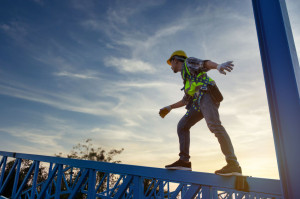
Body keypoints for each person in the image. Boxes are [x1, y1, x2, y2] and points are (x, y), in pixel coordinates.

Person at [159, 50, 242, 176]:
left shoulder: (188, 62)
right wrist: (169, 107)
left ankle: (233, 164)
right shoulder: (186, 78)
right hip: (197, 103)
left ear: (175, 60)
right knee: (182, 125)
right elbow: (185, 100)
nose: (170, 66)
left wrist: (218, 66)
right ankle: (184, 162)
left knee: (214, 126)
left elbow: (204, 64)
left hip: (207, 95)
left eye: (171, 63)